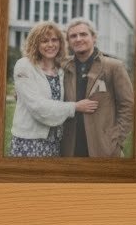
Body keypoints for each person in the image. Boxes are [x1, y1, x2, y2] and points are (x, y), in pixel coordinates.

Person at [9, 21, 98, 158]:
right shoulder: (24, 65)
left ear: (61, 42)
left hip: (55, 142)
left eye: (54, 40)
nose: (50, 45)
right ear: (35, 43)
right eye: (44, 41)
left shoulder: (61, 68)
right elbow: (38, 106)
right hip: (29, 141)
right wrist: (75, 107)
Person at [61, 18, 134, 159]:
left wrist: (116, 139)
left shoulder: (114, 66)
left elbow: (128, 105)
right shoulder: (64, 67)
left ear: (94, 38)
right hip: (70, 147)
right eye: (73, 36)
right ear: (68, 42)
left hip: (103, 147)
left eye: (83, 34)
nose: (78, 39)